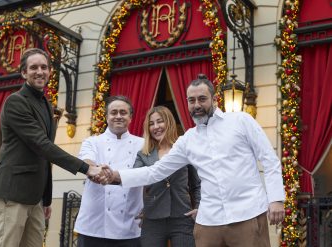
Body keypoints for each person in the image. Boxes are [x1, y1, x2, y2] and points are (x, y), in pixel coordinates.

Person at [101, 74, 286, 247]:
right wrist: (116, 176)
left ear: (214, 100)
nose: (196, 104)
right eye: (191, 100)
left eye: (202, 99)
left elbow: (269, 160)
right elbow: (155, 171)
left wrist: (276, 199)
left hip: (247, 214)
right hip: (208, 222)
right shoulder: (187, 140)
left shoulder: (241, 121)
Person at [0, 48, 102, 247]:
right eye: (33, 67)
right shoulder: (15, 102)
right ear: (24, 73)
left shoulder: (47, 105)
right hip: (12, 192)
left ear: (49, 72)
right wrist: (86, 168)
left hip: (36, 198)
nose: (39, 71)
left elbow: (43, 157)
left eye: (44, 67)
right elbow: (41, 145)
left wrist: (46, 198)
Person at [74, 95, 144, 247]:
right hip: (94, 225)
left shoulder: (142, 144)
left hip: (130, 226)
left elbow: (151, 176)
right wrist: (96, 170)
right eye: (113, 112)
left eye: (123, 112)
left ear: (131, 117)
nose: (118, 116)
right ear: (106, 116)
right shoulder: (92, 141)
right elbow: (86, 161)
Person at [135, 106, 200, 247]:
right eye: (151, 124)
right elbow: (135, 179)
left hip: (183, 218)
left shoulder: (184, 149)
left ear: (169, 122)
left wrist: (200, 207)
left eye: (160, 121)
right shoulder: (143, 154)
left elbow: (197, 184)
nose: (156, 127)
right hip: (152, 220)